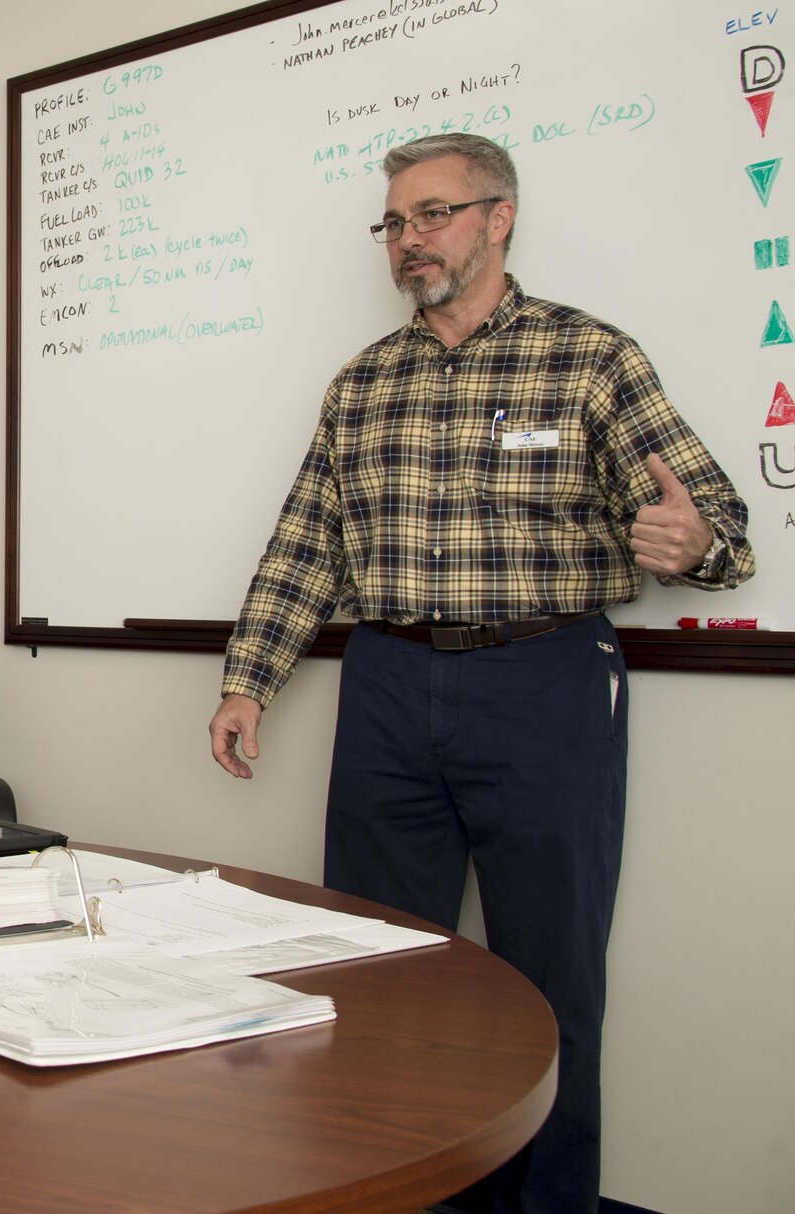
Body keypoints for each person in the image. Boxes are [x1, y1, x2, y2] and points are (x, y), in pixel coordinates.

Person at [206, 133, 753, 1213]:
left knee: (547, 986)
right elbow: (306, 542)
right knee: (368, 970)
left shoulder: (589, 357)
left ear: (498, 218)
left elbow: (717, 521)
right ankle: (396, 1194)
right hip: (388, 684)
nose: (409, 241)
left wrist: (693, 545)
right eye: (395, 222)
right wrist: (245, 678)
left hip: (540, 681)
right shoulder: (360, 382)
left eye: (433, 214)